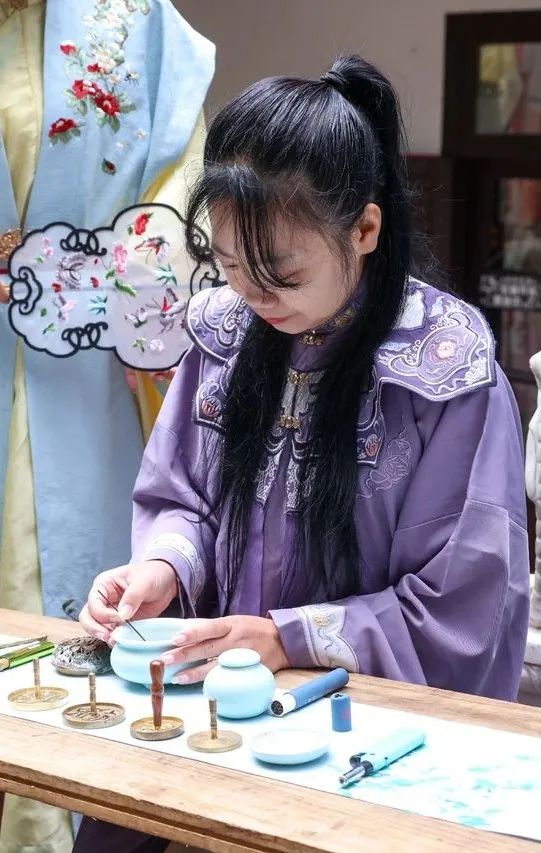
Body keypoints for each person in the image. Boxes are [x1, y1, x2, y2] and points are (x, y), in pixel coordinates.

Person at [75, 55, 530, 852]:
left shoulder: (443, 374)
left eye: (279, 273)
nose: (252, 297)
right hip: (219, 708)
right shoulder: (223, 336)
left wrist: (288, 637)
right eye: (230, 266)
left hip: (362, 734)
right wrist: (163, 569)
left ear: (364, 229)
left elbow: (462, 603)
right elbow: (180, 495)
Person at [0, 1, 214, 850]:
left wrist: (130, 298)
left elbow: (184, 195)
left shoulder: (135, 20)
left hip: (86, 375)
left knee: (83, 607)